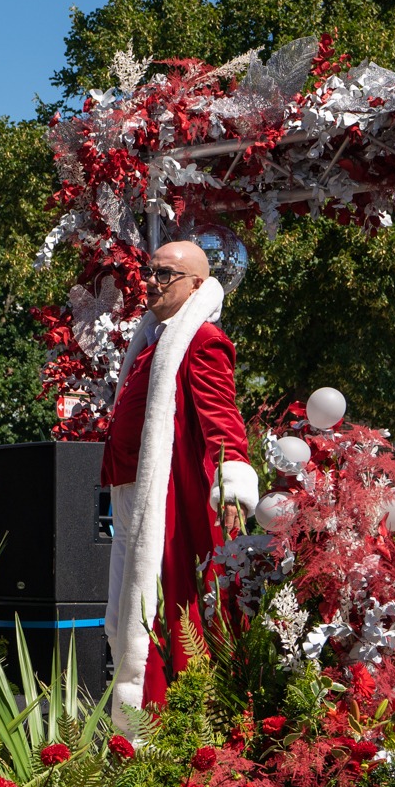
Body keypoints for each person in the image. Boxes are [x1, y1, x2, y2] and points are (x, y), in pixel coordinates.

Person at [101, 239, 257, 725]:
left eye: (165, 274)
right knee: (123, 615)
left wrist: (231, 483)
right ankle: (130, 727)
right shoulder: (154, 340)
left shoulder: (202, 340)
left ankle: (169, 730)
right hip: (131, 497)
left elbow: (222, 419)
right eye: (150, 272)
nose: (151, 281)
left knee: (168, 614)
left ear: (195, 284)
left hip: (168, 502)